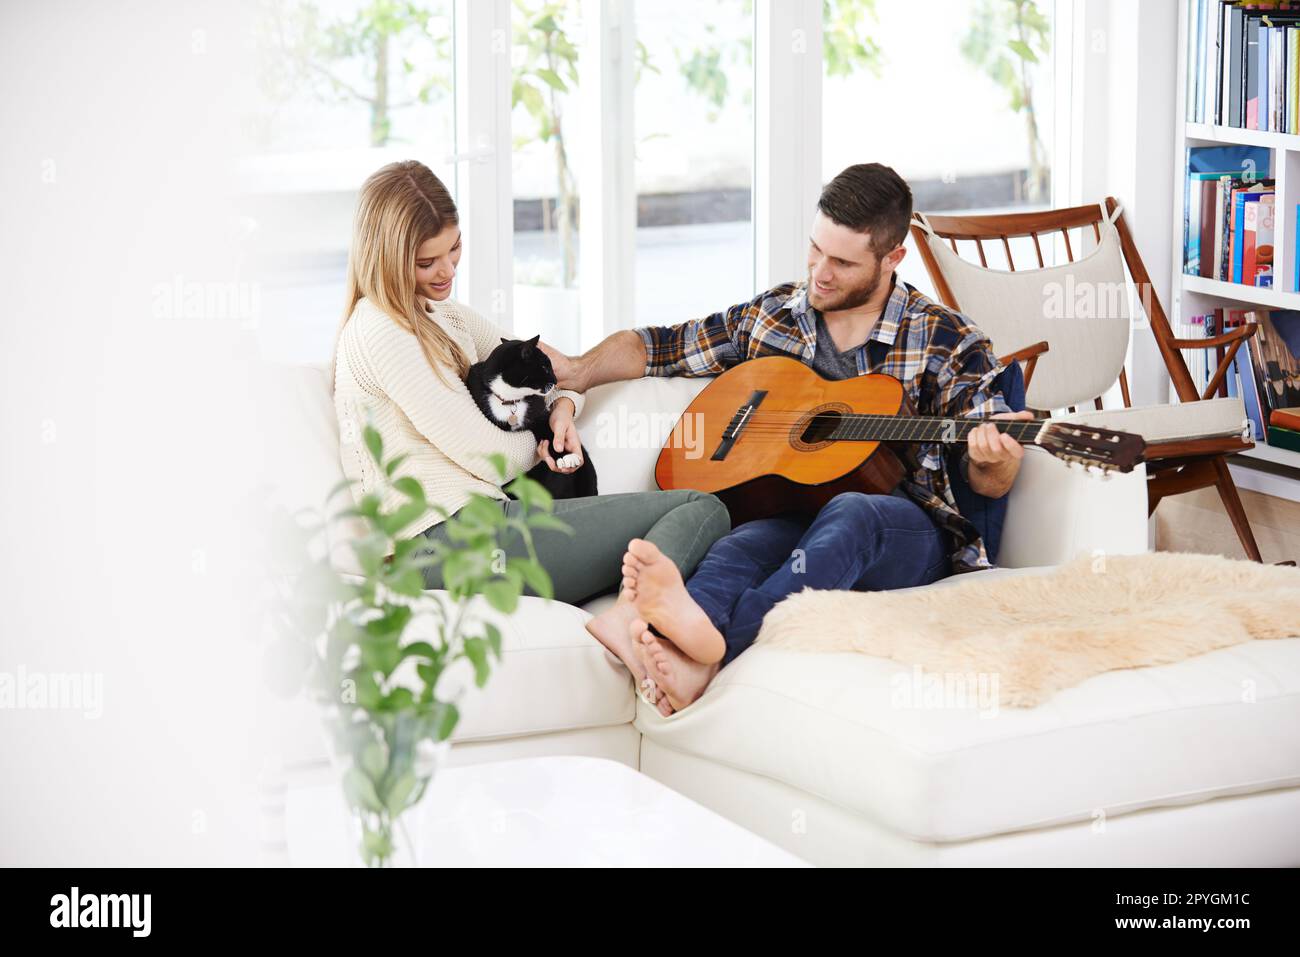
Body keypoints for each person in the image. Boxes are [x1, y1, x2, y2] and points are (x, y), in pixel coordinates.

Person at [543, 163, 1034, 714]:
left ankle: (712, 652)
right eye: (816, 250)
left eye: (843, 263)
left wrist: (993, 462)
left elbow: (992, 482)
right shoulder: (776, 315)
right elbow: (661, 345)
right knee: (738, 545)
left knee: (853, 511)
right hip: (796, 512)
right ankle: (674, 642)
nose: (820, 273)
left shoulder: (949, 340)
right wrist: (580, 372)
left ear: (892, 259)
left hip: (905, 532)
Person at [330, 160, 730, 714]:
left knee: (706, 513)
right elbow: (485, 456)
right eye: (427, 261)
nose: (447, 271)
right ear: (386, 257)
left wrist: (562, 409)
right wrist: (537, 439)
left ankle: (643, 627)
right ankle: (630, 621)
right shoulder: (380, 328)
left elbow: (558, 369)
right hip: (440, 544)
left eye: (454, 250)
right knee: (701, 507)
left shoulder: (447, 318)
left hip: (483, 528)